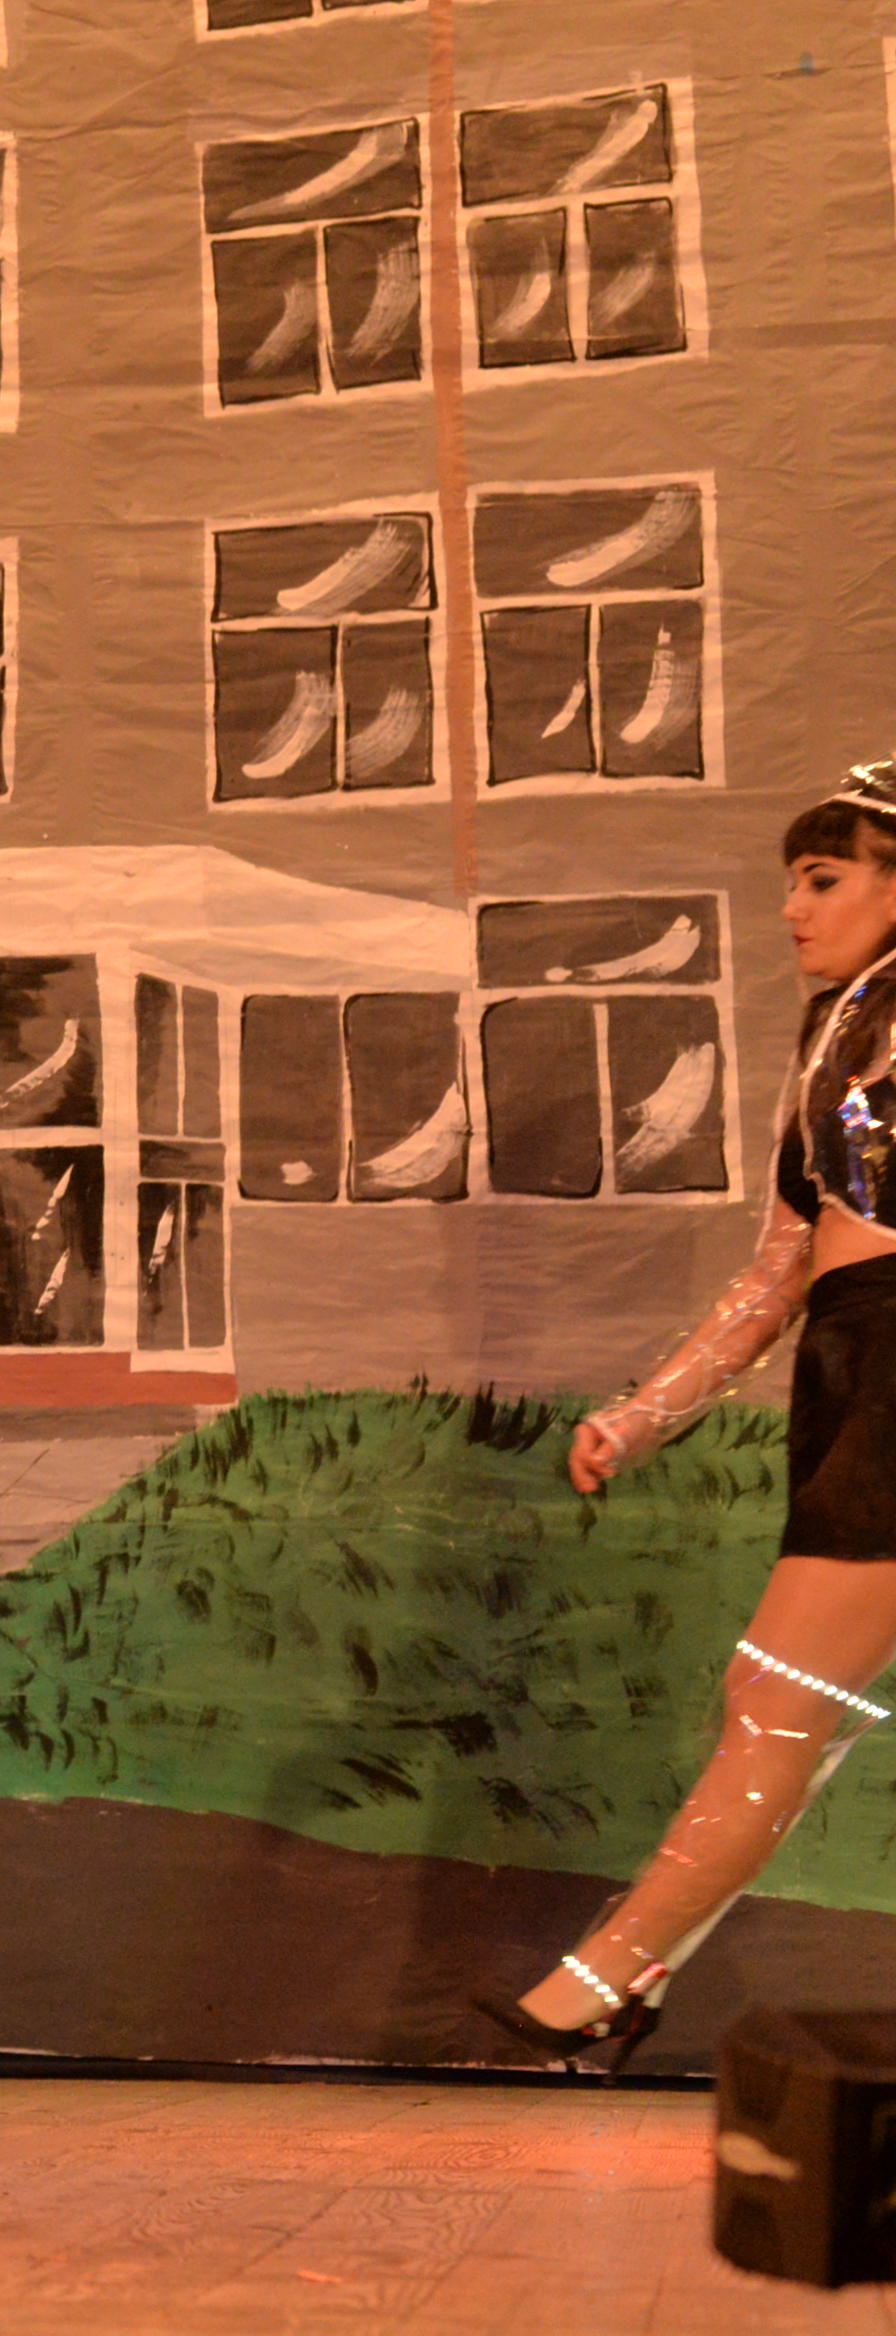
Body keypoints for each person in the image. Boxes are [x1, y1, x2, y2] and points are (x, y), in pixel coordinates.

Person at [485, 763, 896, 2069]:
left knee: (780, 1692)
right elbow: (780, 1265)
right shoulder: (833, 1037)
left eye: (823, 878)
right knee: (787, 1696)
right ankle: (623, 1974)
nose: (792, 908)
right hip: (852, 1367)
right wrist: (645, 1415)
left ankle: (604, 1978)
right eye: (790, 882)